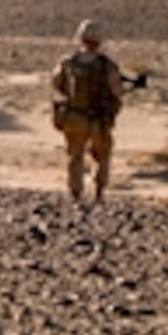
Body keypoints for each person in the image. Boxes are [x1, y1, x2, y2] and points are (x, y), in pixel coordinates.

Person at [51, 19, 126, 204]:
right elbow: (117, 90)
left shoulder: (67, 62)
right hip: (98, 120)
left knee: (74, 156)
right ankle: (99, 193)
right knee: (102, 155)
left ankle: (75, 194)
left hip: (74, 118)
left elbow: (55, 84)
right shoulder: (107, 65)